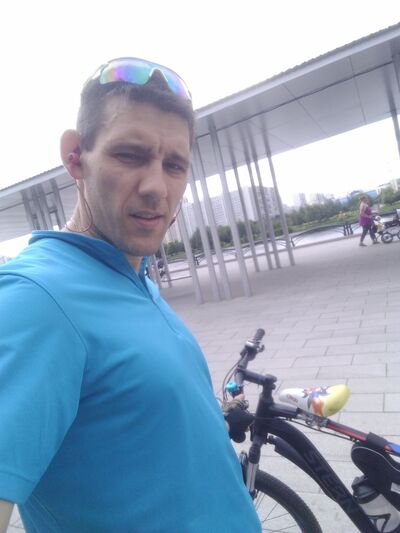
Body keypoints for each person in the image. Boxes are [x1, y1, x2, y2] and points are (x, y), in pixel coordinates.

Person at [0, 58, 261, 532]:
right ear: (75, 156)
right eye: (130, 155)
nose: (157, 187)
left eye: (174, 165)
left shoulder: (132, 277)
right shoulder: (35, 299)